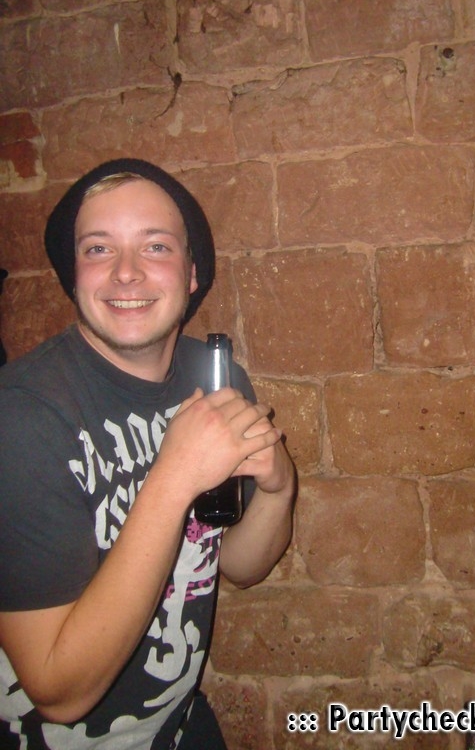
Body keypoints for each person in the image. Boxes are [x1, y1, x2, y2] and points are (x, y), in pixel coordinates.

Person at [0, 158, 296, 749]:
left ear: (192, 273)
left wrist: (279, 485)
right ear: (73, 275)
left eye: (155, 246)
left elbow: (240, 565)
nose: (127, 273)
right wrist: (175, 475)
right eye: (98, 249)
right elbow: (58, 692)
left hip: (176, 726)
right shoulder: (22, 418)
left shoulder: (216, 380)